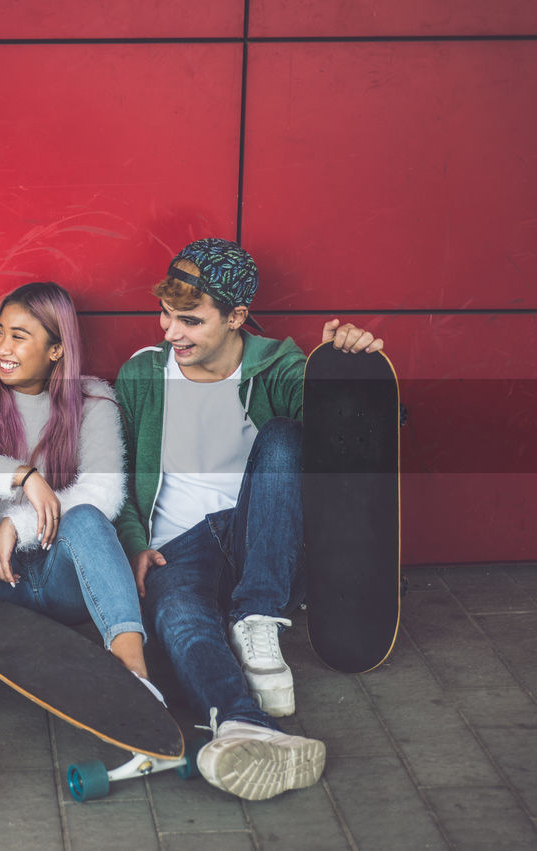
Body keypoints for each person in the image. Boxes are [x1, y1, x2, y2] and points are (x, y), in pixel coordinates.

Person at [114, 238, 384, 800]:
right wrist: (133, 543)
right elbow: (113, 472)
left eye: (189, 319)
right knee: (181, 622)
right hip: (175, 550)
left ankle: (257, 619)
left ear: (236, 316)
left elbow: (344, 436)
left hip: (257, 540)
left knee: (285, 435)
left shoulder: (278, 365)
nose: (170, 332)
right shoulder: (142, 375)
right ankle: (244, 725)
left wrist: (348, 371)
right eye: (165, 314)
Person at [0, 282, 160, 727]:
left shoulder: (94, 400)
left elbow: (104, 491)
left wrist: (16, 524)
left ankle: (135, 679)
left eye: (19, 336)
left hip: (61, 580)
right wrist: (24, 476)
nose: (2, 347)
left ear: (57, 350)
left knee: (86, 516)